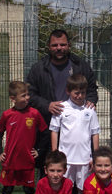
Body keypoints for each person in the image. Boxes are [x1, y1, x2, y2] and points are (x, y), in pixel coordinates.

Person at [27, 29, 98, 176]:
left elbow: (92, 87)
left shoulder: (81, 66)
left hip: (76, 128)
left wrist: (91, 100)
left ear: (69, 45)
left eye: (62, 44)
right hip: (48, 127)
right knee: (50, 169)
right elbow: (30, 95)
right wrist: (47, 105)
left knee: (79, 170)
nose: (59, 48)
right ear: (49, 46)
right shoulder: (38, 68)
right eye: (55, 45)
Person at [0, 81, 48, 194]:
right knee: (7, 189)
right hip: (10, 162)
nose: (27, 98)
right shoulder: (7, 115)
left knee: (29, 190)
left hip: (27, 162)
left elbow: (45, 132)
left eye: (27, 94)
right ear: (13, 98)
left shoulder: (34, 113)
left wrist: (39, 150)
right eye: (23, 95)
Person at [49, 74, 100, 194]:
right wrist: (55, 154)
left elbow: (95, 133)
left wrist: (95, 156)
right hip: (66, 160)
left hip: (84, 159)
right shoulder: (61, 108)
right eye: (76, 93)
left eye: (83, 93)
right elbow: (54, 131)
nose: (80, 96)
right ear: (68, 91)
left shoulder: (90, 110)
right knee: (63, 190)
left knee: (82, 191)